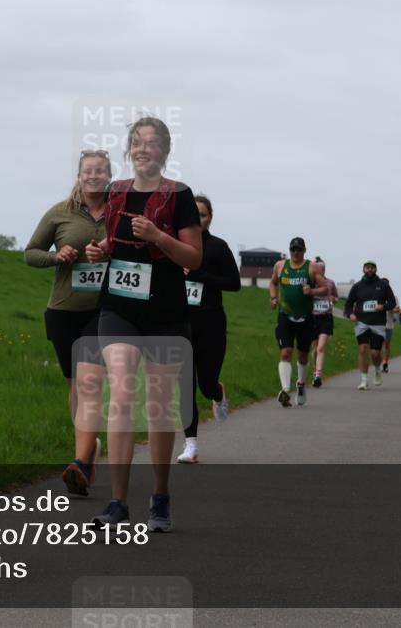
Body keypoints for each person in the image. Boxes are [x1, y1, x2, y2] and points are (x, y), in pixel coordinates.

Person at [84, 117, 202, 532]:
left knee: (156, 403)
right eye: (137, 142)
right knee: (120, 395)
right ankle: (117, 501)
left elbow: (193, 258)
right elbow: (113, 244)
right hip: (119, 308)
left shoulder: (179, 195)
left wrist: (157, 236)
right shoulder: (116, 193)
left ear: (165, 152)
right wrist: (100, 251)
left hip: (166, 312)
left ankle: (161, 494)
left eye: (151, 143)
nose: (143, 149)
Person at [24, 150, 110, 495]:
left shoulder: (119, 212)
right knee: (76, 387)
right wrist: (56, 256)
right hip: (63, 310)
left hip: (104, 311)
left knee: (89, 384)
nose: (93, 175)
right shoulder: (60, 213)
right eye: (88, 170)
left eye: (100, 170)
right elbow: (30, 252)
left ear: (109, 175)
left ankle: (81, 464)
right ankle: (90, 449)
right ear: (79, 175)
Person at [177, 194, 240, 464]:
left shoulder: (218, 247)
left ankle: (217, 392)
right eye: (193, 214)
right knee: (185, 384)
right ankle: (190, 445)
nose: (197, 219)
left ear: (210, 217)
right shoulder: (174, 245)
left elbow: (234, 283)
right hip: (180, 322)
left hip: (211, 321)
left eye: (202, 215)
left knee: (205, 384)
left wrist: (203, 277)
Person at [269, 238, 327, 406]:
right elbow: (273, 283)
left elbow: (325, 289)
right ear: (289, 250)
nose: (295, 252)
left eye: (299, 249)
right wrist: (273, 298)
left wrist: (312, 290)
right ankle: (285, 390)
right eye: (293, 249)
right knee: (285, 352)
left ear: (304, 251)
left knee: (302, 355)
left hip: (306, 318)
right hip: (285, 316)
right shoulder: (280, 266)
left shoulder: (311, 267)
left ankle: (301, 384)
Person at [343, 260, 396, 390]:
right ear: (363, 270)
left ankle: (377, 370)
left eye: (372, 268)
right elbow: (348, 305)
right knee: (362, 349)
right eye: (367, 268)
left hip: (378, 324)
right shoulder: (357, 286)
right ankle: (364, 380)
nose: (370, 270)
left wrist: (383, 306)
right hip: (361, 323)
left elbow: (392, 303)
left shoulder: (383, 285)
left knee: (375, 353)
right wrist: (350, 315)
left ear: (376, 270)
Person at [309, 257, 338, 388]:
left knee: (321, 348)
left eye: (323, 269)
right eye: (319, 269)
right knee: (314, 349)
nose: (321, 271)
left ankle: (318, 376)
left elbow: (336, 297)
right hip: (313, 318)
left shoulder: (330, 283)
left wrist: (333, 299)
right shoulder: (310, 283)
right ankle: (315, 372)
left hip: (326, 317)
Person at [380, 285, 400, 373]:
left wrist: (393, 309)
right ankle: (379, 363)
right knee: (377, 346)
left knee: (386, 345)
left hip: (388, 324)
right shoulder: (376, 296)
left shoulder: (393, 297)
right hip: (377, 324)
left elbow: (397, 309)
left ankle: (385, 363)